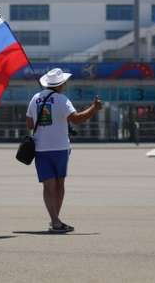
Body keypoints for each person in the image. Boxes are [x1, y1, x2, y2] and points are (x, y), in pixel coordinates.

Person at [26, 68, 102, 233]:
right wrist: (94, 109)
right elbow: (76, 119)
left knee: (48, 186)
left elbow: (29, 124)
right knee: (60, 184)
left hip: (40, 148)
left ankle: (55, 220)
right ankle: (55, 220)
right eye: (64, 82)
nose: (66, 85)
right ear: (60, 84)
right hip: (60, 148)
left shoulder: (35, 98)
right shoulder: (62, 99)